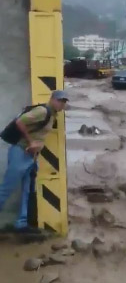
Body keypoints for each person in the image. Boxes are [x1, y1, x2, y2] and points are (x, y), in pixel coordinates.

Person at [0, 90, 68, 232]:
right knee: (6, 189)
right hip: (21, 153)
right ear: (53, 100)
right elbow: (20, 121)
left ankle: (22, 224)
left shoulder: (53, 115)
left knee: (27, 190)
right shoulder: (43, 111)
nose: (62, 104)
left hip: (31, 157)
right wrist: (31, 142)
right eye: (60, 101)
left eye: (64, 102)